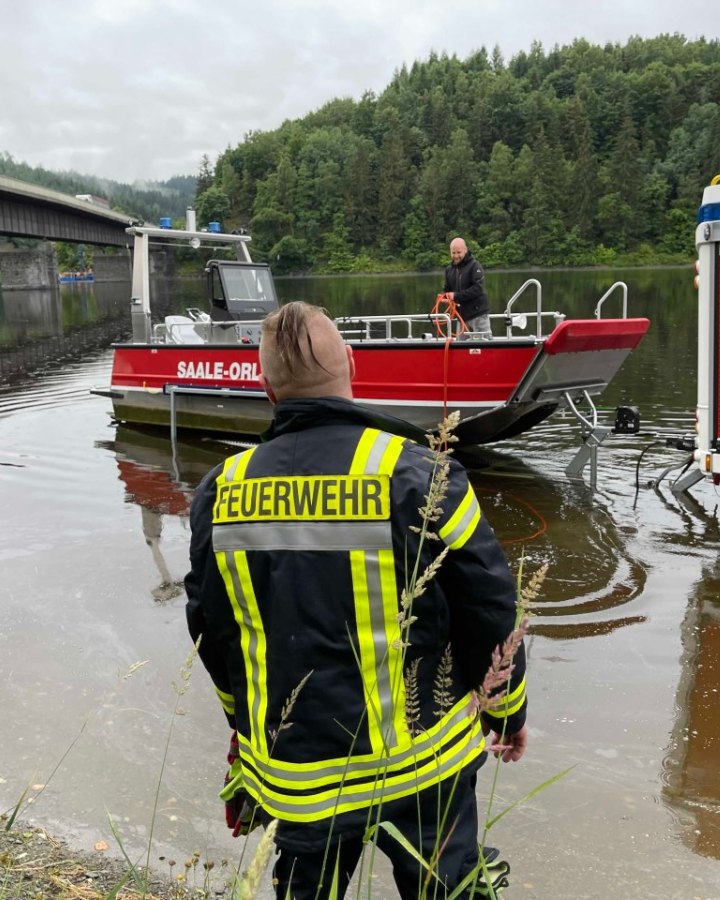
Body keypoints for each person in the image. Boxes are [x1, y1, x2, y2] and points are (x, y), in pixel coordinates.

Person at [185, 302, 527, 899]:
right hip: (423, 768)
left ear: (266, 389)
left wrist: (244, 725)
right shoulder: (420, 474)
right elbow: (491, 605)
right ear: (353, 363)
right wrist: (506, 711)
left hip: (301, 775)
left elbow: (211, 631)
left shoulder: (222, 491)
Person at [443, 237, 491, 336]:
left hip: (479, 315)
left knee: (484, 345)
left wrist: (456, 296)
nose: (456, 256)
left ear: (465, 250)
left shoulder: (475, 266)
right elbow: (447, 288)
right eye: (453, 253)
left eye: (458, 252)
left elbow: (478, 289)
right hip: (461, 317)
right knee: (460, 347)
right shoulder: (449, 270)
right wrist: (444, 296)